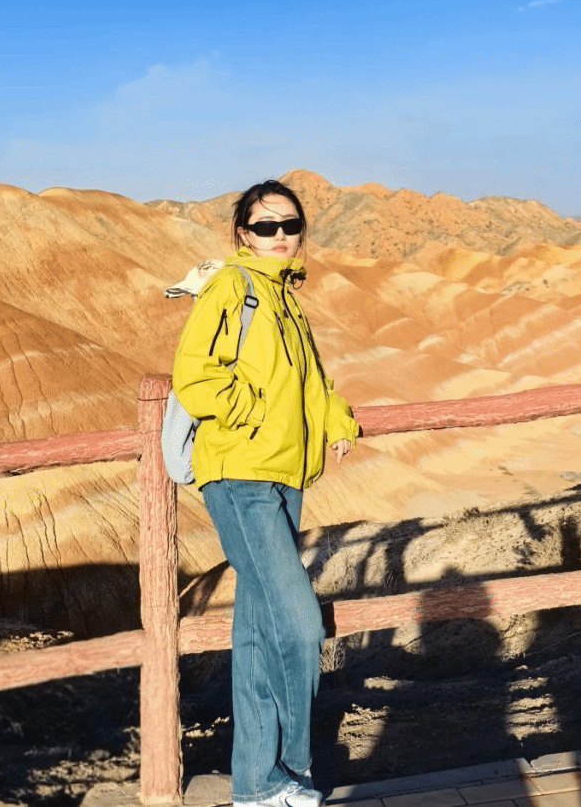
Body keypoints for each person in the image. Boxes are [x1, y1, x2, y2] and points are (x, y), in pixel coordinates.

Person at [172, 179, 359, 807]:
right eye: (265, 226)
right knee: (300, 624)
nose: (280, 236)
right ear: (242, 234)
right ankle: (293, 772)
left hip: (285, 477)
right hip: (241, 477)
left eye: (290, 225)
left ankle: (256, 788)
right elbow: (195, 376)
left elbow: (311, 382)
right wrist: (249, 413)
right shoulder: (232, 286)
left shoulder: (285, 297)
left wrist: (336, 419)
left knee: (256, 635)